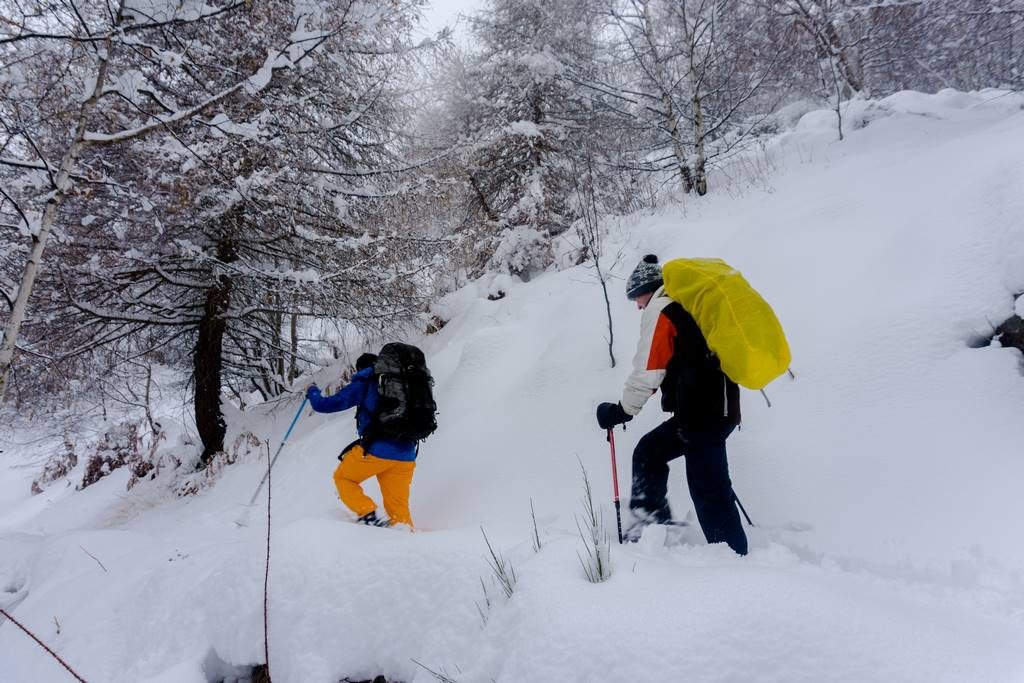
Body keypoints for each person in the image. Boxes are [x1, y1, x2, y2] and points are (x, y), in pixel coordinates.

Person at [596, 254, 748, 555]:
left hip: (703, 416)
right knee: (648, 453)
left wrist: (621, 411)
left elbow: (649, 371)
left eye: (636, 298)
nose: (637, 305)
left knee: (709, 491)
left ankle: (735, 562)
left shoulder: (662, 309)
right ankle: (651, 525)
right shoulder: (686, 307)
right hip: (709, 411)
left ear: (647, 290)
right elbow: (667, 366)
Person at [307, 353, 418, 528]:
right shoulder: (401, 383)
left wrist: (312, 391)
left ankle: (367, 514)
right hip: (407, 454)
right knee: (399, 511)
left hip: (377, 450)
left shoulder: (365, 382)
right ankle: (406, 540)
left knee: (343, 478)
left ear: (362, 369)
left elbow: (324, 405)